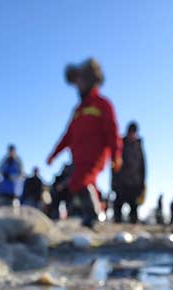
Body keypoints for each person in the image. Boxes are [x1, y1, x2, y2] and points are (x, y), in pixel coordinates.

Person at [47, 58, 122, 228]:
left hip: (95, 157)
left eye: (80, 80)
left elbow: (112, 131)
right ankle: (92, 216)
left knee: (79, 181)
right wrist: (53, 155)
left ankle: (95, 216)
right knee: (80, 183)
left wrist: (116, 154)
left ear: (89, 80)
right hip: (78, 158)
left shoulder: (103, 104)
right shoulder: (78, 110)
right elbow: (67, 136)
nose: (77, 85)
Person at [112, 121, 146, 224]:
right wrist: (114, 181)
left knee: (134, 206)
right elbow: (114, 163)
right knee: (118, 204)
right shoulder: (120, 144)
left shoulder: (139, 146)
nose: (131, 135)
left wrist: (142, 182)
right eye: (130, 132)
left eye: (133, 132)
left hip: (135, 182)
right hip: (121, 181)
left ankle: (133, 225)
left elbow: (143, 166)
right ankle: (117, 224)